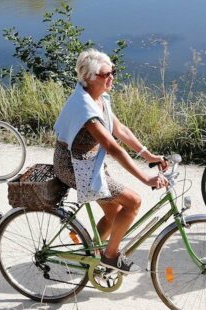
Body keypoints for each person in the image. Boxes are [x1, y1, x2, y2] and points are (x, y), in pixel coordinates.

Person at [53, 49, 168, 273]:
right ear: (89, 78)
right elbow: (113, 147)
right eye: (106, 74)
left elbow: (120, 129)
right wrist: (145, 178)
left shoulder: (99, 98)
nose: (112, 77)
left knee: (114, 212)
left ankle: (92, 252)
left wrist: (148, 155)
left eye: (112, 71)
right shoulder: (84, 107)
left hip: (89, 162)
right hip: (74, 166)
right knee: (133, 202)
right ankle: (110, 256)